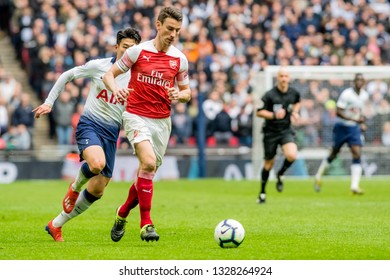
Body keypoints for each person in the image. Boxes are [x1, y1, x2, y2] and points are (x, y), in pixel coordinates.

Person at [32, 27, 141, 242]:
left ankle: (55, 224)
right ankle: (73, 188)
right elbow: (67, 74)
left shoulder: (137, 76)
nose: (129, 52)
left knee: (98, 190)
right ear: (116, 47)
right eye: (126, 47)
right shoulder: (99, 66)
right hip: (90, 124)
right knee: (97, 164)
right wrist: (48, 102)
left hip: (112, 133)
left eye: (133, 49)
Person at [102, 6, 191, 243]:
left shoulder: (179, 59)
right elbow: (108, 75)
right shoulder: (137, 52)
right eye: (170, 28)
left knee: (146, 172)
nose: (173, 34)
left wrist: (179, 95)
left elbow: (187, 92)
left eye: (178, 30)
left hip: (162, 122)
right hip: (135, 115)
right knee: (149, 163)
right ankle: (146, 224)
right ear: (158, 25)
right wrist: (116, 90)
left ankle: (122, 213)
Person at [314, 73, 369, 195]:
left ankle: (354, 186)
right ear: (353, 82)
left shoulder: (365, 95)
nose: (359, 82)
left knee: (357, 153)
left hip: (354, 129)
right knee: (335, 152)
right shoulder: (347, 94)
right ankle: (319, 174)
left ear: (364, 82)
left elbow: (361, 113)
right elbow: (338, 112)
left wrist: (362, 123)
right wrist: (354, 120)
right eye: (357, 80)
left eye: (361, 80)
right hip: (342, 127)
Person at [256, 67, 301, 204]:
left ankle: (280, 173)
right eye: (281, 76)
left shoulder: (294, 93)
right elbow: (259, 112)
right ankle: (262, 192)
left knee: (292, 155)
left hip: (285, 130)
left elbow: (297, 103)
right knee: (269, 163)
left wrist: (295, 112)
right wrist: (274, 115)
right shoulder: (269, 95)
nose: (283, 79)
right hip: (270, 132)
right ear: (277, 78)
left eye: (285, 76)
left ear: (289, 78)